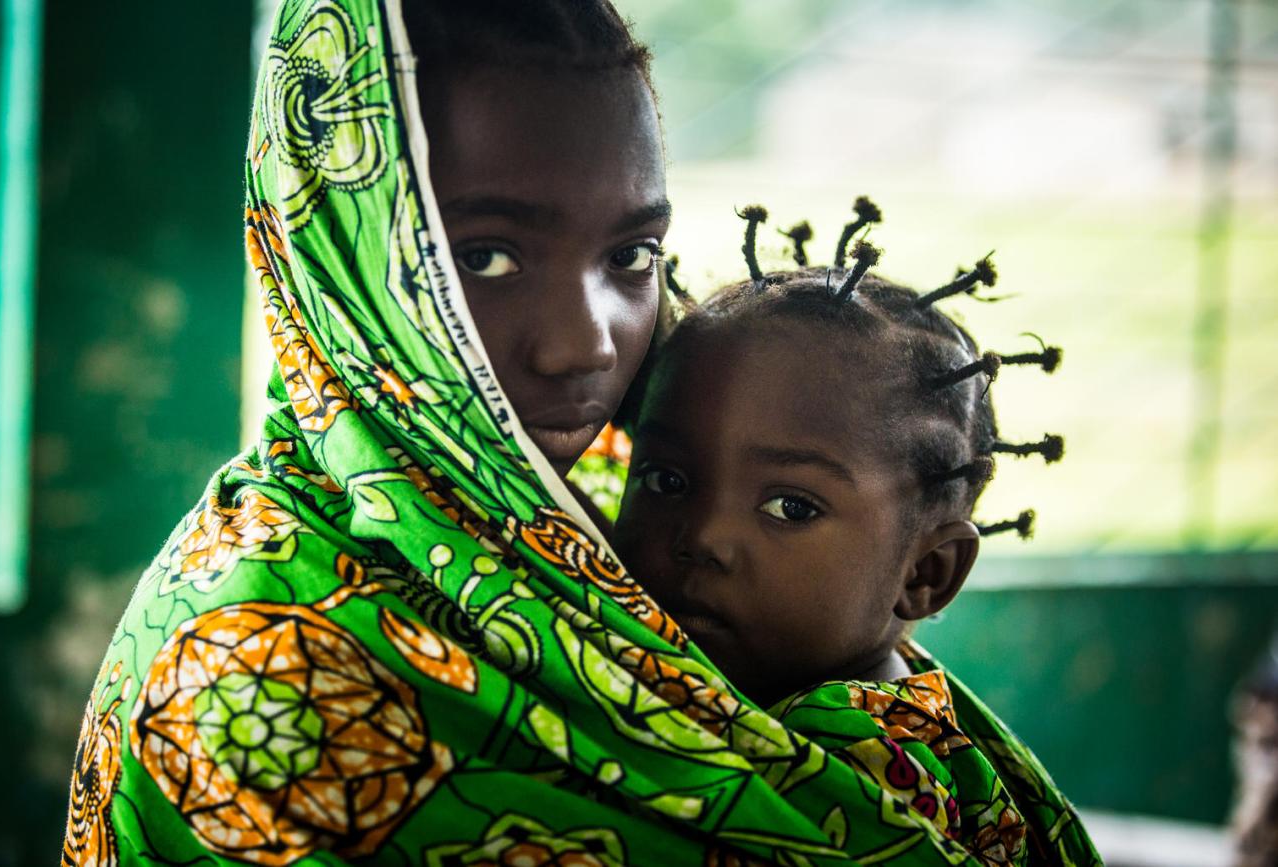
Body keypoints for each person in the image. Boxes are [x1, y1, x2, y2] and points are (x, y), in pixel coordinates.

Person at [62, 1, 1097, 865]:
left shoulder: (598, 507)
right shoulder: (256, 667)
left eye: (633, 256)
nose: (583, 345)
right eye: (489, 257)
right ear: (342, 255)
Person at [612, 201, 1099, 863]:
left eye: (791, 507)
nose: (703, 536)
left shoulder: (870, 771)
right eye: (667, 481)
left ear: (926, 571)